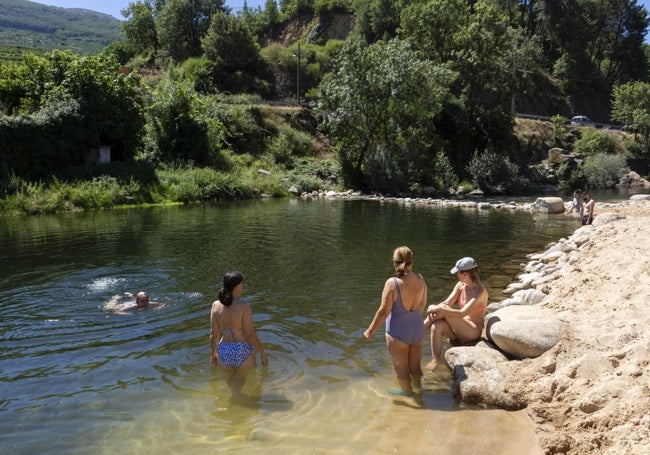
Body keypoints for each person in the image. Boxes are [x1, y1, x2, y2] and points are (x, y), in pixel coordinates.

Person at [363, 246, 427, 396]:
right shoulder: (420, 279)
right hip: (418, 328)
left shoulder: (392, 283)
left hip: (398, 332)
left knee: (402, 370)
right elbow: (422, 305)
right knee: (416, 368)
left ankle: (407, 395)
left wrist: (370, 331)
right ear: (412, 261)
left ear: (394, 263)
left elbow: (384, 311)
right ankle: (419, 390)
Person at [424, 257, 488, 371]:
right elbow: (447, 302)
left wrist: (438, 309)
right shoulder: (461, 285)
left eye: (457, 273)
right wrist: (433, 307)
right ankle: (435, 360)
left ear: (465, 274)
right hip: (459, 329)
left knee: (443, 309)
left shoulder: (480, 292)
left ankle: (416, 331)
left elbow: (462, 313)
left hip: (472, 330)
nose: (456, 275)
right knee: (436, 325)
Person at [210, 271, 268, 371]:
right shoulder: (244, 305)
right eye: (241, 283)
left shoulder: (215, 305)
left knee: (229, 384)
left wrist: (213, 354)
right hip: (242, 349)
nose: (242, 286)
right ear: (237, 286)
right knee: (245, 385)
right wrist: (262, 353)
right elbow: (249, 334)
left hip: (224, 350)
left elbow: (213, 334)